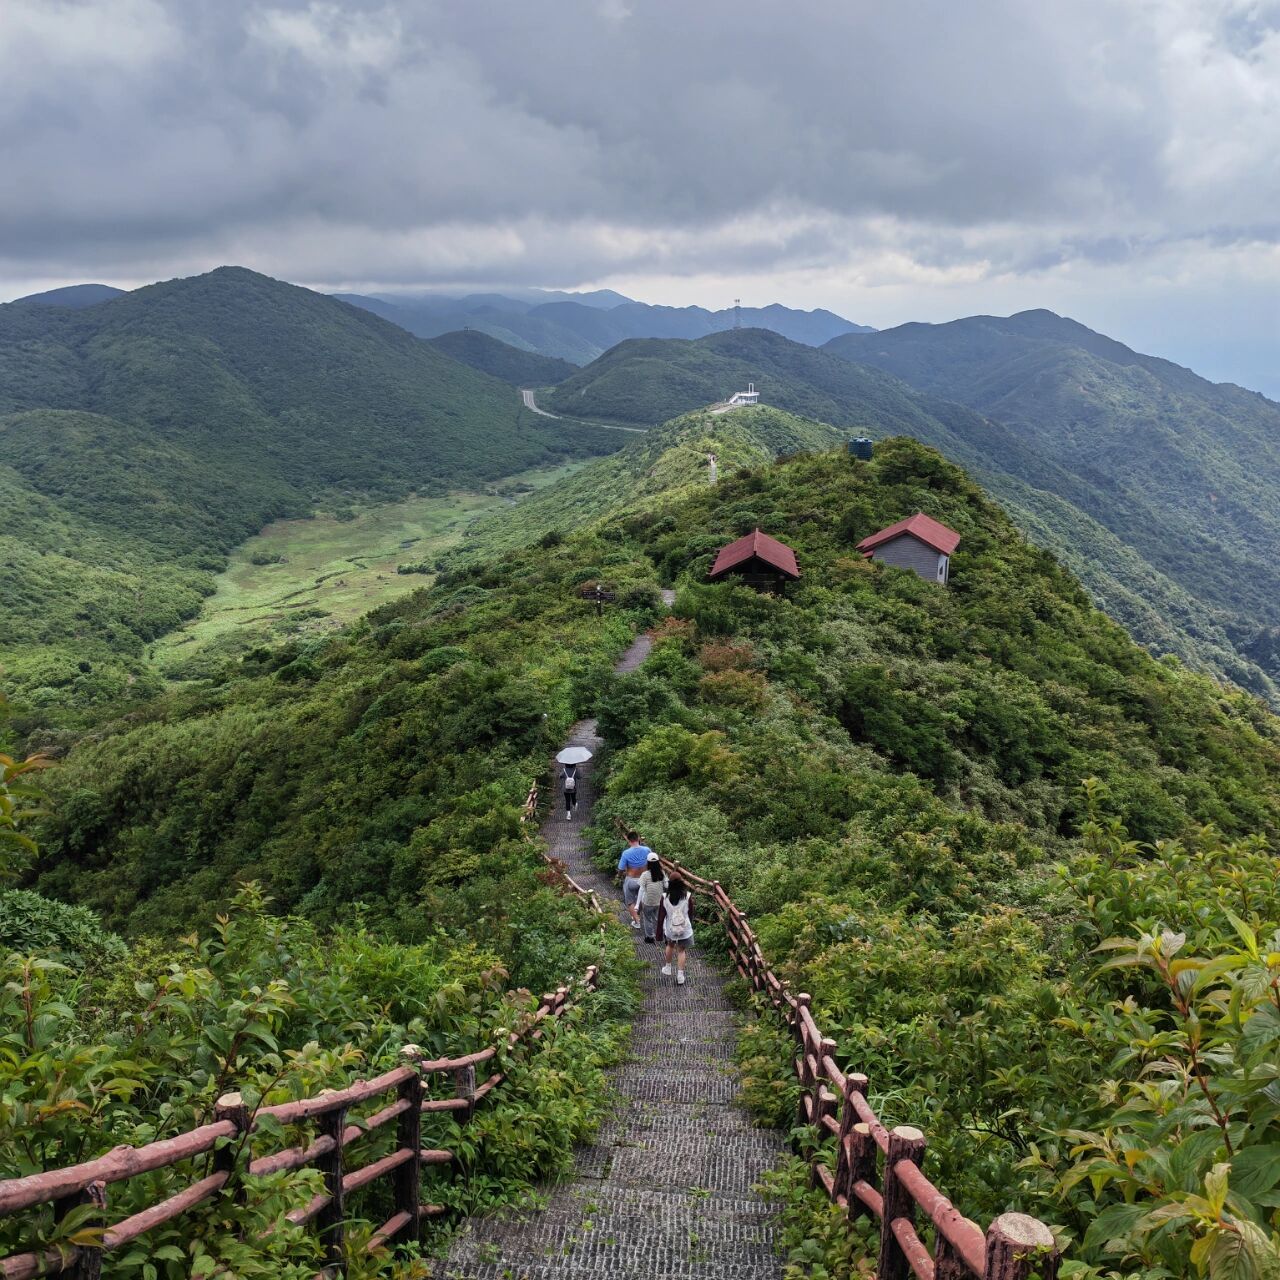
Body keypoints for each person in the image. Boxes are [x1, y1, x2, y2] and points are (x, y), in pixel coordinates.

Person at [661, 875, 694, 985]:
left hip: (670, 928)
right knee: (681, 950)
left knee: (670, 945)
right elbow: (691, 913)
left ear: (669, 883)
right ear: (681, 883)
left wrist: (659, 932)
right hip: (684, 928)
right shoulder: (687, 897)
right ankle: (680, 975)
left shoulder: (665, 897)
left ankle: (668, 967)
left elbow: (662, 915)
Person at [617, 830, 651, 931]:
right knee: (640, 897)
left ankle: (637, 921)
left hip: (631, 879)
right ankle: (638, 914)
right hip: (644, 879)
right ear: (638, 839)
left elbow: (621, 868)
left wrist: (619, 875)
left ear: (629, 841)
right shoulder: (647, 850)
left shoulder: (626, 853)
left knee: (630, 901)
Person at [636, 854, 666, 944]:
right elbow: (666, 885)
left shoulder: (645, 875)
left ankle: (650, 937)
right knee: (660, 919)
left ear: (648, 863)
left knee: (648, 919)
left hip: (647, 902)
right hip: (659, 901)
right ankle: (665, 935)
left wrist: (637, 904)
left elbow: (641, 889)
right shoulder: (662, 873)